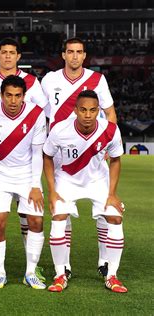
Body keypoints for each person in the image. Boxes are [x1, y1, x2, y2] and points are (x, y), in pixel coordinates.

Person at [41, 37, 117, 279]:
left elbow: (109, 112)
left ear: (85, 56)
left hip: (92, 149)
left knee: (106, 209)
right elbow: (42, 115)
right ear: (63, 54)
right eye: (70, 52)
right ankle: (65, 267)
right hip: (62, 150)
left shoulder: (97, 79)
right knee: (62, 210)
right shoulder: (49, 80)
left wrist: (107, 141)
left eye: (79, 52)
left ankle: (105, 261)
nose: (74, 56)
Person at [0, 37, 48, 282]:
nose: (14, 100)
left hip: (27, 175)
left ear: (24, 96)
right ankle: (0, 271)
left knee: (36, 221)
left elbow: (38, 152)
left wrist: (36, 185)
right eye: (9, 95)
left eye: (18, 96)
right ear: (1, 95)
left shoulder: (36, 114)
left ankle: (31, 272)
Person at [43, 90, 127, 293]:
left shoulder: (110, 130)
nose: (87, 115)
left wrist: (112, 193)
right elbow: (47, 157)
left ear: (98, 110)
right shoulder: (59, 130)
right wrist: (52, 191)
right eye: (83, 110)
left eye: (92, 110)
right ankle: (60, 274)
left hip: (98, 180)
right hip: (67, 179)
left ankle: (112, 275)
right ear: (75, 110)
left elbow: (115, 160)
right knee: (58, 217)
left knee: (115, 218)